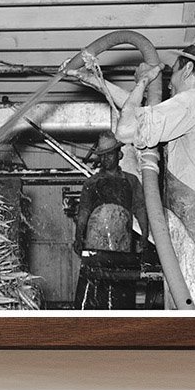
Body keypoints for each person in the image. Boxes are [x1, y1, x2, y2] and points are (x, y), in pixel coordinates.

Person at [69, 34, 195, 311]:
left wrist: (143, 82)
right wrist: (96, 82)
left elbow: (128, 129)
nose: (169, 80)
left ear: (188, 69)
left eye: (174, 70)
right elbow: (146, 115)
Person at [72, 132, 142, 310]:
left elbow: (140, 209)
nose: (105, 159)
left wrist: (145, 236)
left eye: (109, 154)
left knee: (120, 291)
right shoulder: (91, 183)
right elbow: (84, 211)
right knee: (94, 290)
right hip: (96, 244)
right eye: (102, 156)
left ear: (119, 154)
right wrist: (78, 236)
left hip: (122, 244)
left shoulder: (131, 181)